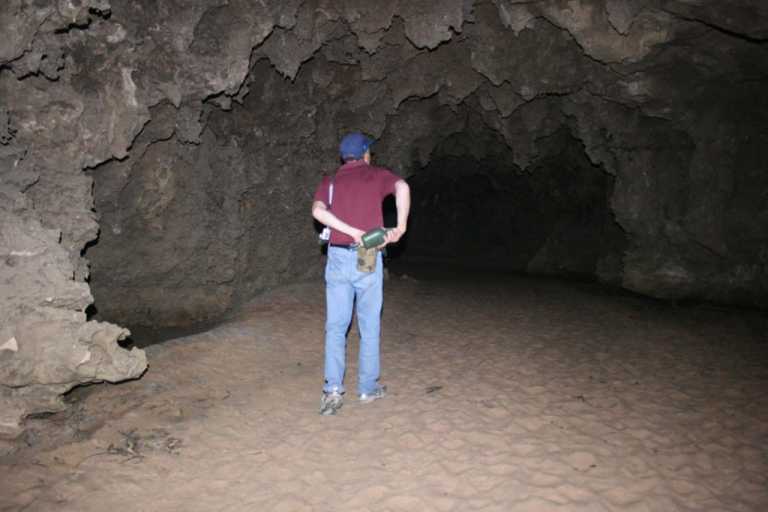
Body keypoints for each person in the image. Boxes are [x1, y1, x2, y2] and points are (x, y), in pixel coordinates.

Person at [311, 132, 411, 416]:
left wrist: (349, 231)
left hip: (338, 258)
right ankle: (367, 388)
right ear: (366, 153)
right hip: (368, 257)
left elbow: (318, 212)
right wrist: (400, 226)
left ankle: (332, 391)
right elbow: (402, 186)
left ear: (343, 157)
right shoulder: (377, 176)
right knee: (369, 326)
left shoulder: (329, 182)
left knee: (336, 326)